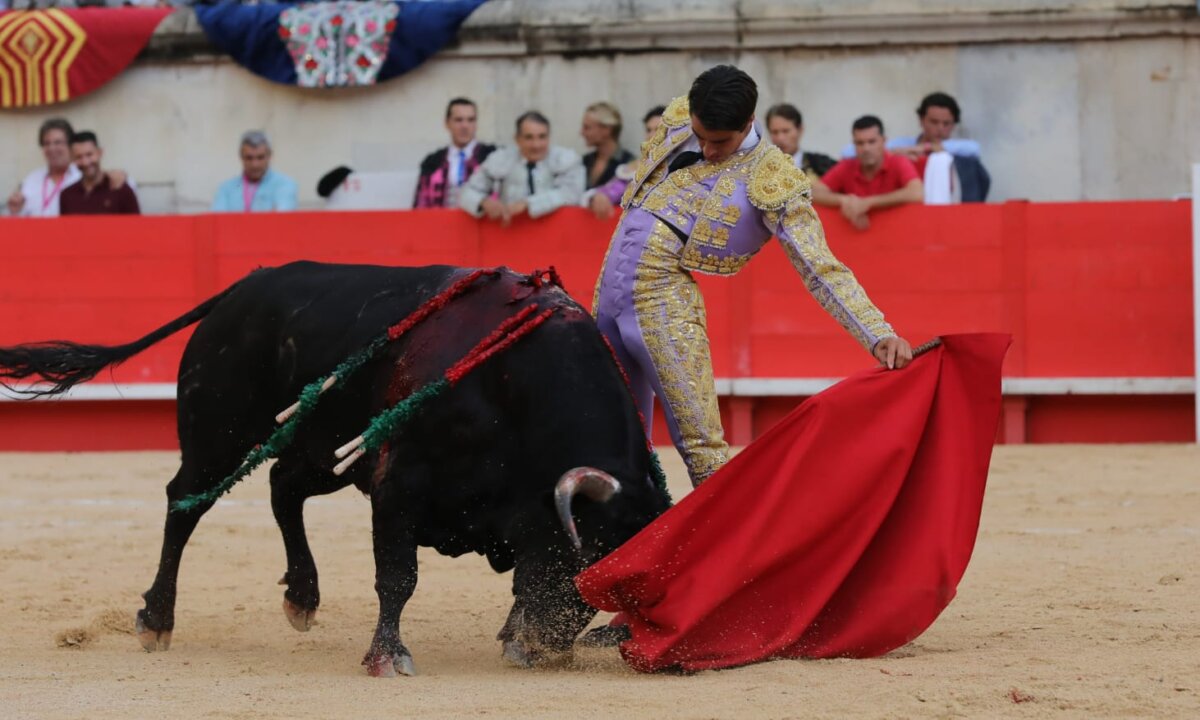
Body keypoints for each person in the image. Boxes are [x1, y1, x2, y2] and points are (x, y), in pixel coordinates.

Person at [593, 66, 912, 489]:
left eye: (719, 141)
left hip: (662, 298)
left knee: (701, 446)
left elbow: (819, 266)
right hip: (607, 292)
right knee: (608, 433)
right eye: (700, 135)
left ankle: (735, 550)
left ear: (748, 123)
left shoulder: (772, 177)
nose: (705, 149)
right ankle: (626, 537)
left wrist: (878, 331)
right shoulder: (678, 119)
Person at [459, 111, 584, 225]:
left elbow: (572, 194)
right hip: (511, 234)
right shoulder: (501, 158)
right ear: (517, 139)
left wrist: (527, 204)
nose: (536, 145)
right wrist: (484, 202)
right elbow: (465, 192)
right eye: (529, 137)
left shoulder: (565, 158)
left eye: (542, 137)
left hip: (557, 234)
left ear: (549, 137)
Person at [812, 116, 923, 230]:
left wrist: (868, 203)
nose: (866, 148)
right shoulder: (847, 165)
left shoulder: (898, 162)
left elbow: (917, 193)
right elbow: (814, 193)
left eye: (872, 142)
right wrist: (845, 200)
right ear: (854, 144)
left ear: (883, 141)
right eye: (860, 143)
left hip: (897, 233)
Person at [6, 118, 132, 218]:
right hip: (35, 246)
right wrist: (15, 211)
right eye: (46, 143)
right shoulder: (31, 179)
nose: (52, 148)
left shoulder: (83, 176)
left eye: (58, 142)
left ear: (71, 147)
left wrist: (121, 175)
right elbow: (18, 221)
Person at [413, 97, 497, 209]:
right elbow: (420, 206)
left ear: (476, 123)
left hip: (481, 224)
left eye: (470, 120)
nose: (465, 126)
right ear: (447, 123)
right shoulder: (432, 162)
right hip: (441, 224)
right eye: (458, 120)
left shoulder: (492, 157)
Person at [585, 105, 665, 220]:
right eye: (648, 130)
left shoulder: (687, 163)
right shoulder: (638, 167)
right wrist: (599, 196)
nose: (651, 135)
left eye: (658, 129)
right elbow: (613, 189)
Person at [211, 131, 298, 213]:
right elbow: (217, 222)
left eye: (260, 157)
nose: (255, 164)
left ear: (269, 156)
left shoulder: (284, 184)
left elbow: (280, 219)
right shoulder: (226, 188)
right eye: (249, 158)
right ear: (241, 157)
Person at [58, 131, 140, 215]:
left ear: (99, 153)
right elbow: (64, 228)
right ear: (72, 159)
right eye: (79, 157)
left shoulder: (121, 190)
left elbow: (137, 226)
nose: (85, 162)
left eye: (89, 155)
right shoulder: (67, 195)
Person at [764, 103, 836, 178]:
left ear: (800, 130)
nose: (780, 138)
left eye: (785, 131)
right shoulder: (762, 169)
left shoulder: (824, 165)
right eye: (775, 132)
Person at [581, 101, 635, 189]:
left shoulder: (630, 163)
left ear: (606, 129)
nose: (582, 132)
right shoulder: (584, 161)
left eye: (587, 127)